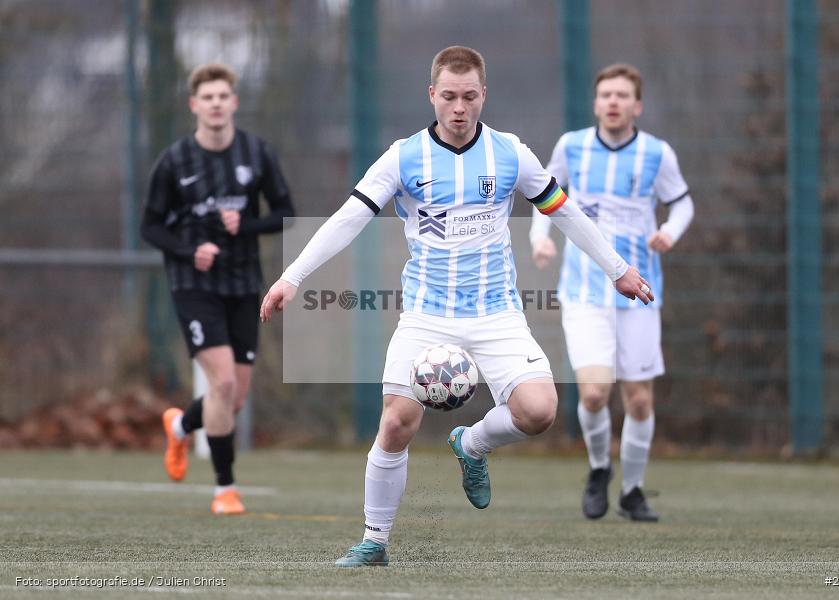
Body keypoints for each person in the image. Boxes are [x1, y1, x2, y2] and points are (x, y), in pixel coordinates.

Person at [260, 46, 652, 567]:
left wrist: (618, 268)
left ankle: (471, 445)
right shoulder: (404, 156)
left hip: (497, 313)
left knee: (539, 412)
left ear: (483, 95)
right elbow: (347, 219)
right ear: (432, 95)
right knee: (397, 420)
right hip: (425, 314)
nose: (459, 107)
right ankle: (374, 540)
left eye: (469, 96)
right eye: (449, 96)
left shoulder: (511, 153)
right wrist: (293, 276)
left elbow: (567, 213)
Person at [530, 63, 694, 522]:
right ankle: (600, 470)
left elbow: (682, 202)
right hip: (584, 290)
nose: (613, 102)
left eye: (622, 95)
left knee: (639, 399)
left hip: (640, 291)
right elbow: (543, 194)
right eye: (606, 95)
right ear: (596, 102)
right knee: (596, 394)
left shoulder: (657, 154)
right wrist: (539, 238)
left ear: (637, 105)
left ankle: (633, 490)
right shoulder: (572, 147)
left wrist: (670, 232)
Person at [141, 63, 295, 515]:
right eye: (206, 97)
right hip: (194, 284)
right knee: (223, 382)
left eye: (222, 96)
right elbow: (150, 227)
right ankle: (224, 489)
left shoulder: (256, 153)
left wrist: (246, 224)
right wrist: (190, 252)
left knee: (234, 396)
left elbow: (285, 210)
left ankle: (179, 426)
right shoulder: (174, 162)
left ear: (234, 102)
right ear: (194, 105)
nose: (215, 104)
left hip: (244, 282)